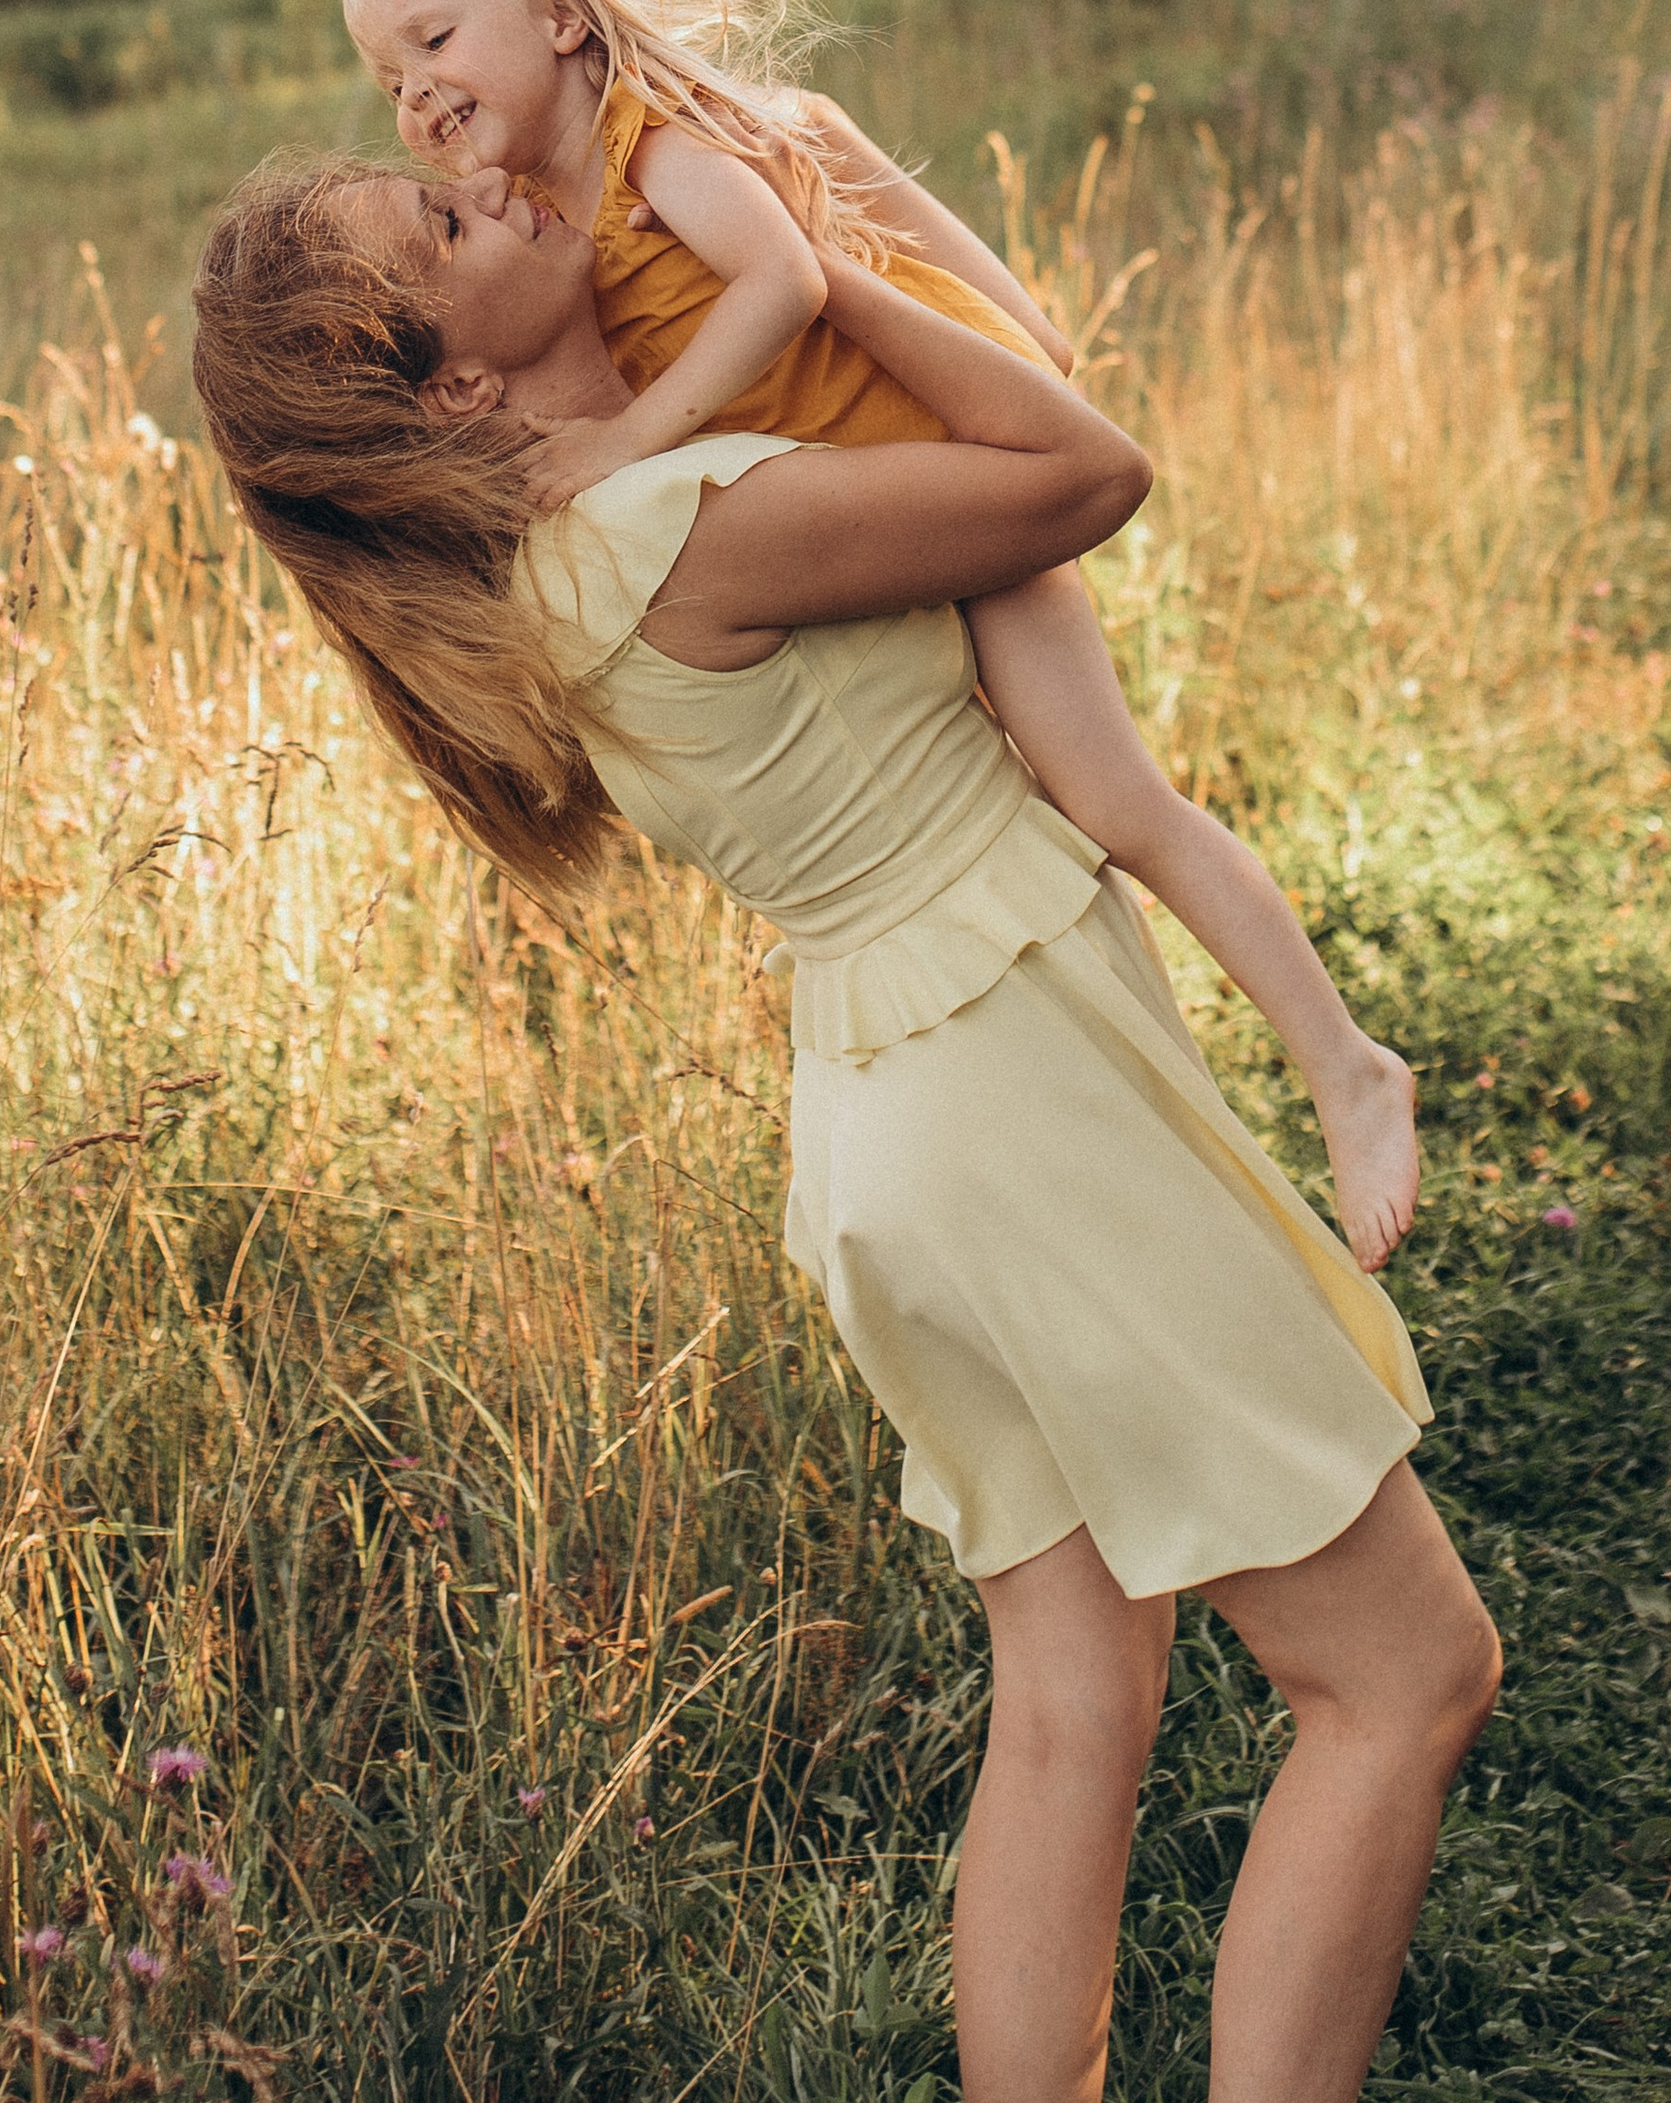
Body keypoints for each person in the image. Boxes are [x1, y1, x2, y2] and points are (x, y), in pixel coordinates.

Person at [190, 150, 1500, 2103]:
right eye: (443, 228)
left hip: (887, 1124)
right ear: (452, 385)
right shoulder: (679, 524)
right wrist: (805, 263)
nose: (490, 185)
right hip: (1017, 1095)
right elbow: (1081, 471)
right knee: (1399, 1675)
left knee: (1071, 1698)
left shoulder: (560, 565)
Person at [339, 0, 1419, 1272]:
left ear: (556, 16)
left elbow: (787, 281)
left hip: (948, 483)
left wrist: (635, 439)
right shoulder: (548, 221)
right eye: (388, 78)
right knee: (1021, 813)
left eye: (435, 41)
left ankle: (1346, 1065)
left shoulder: (660, 151)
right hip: (873, 531)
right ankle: (1136, 1105)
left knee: (1116, 802)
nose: (416, 92)